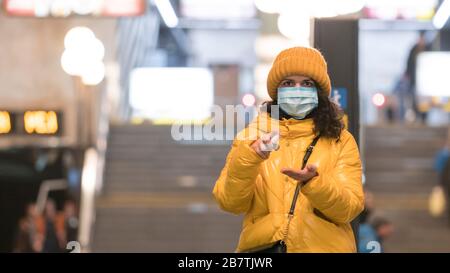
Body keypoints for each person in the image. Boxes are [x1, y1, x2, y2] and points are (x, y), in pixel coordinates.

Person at [213, 47, 364, 253]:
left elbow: (349, 209)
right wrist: (250, 158)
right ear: (276, 91)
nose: (298, 89)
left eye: (307, 83)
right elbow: (230, 202)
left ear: (318, 91)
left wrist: (314, 183)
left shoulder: (340, 141)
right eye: (288, 83)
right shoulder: (252, 137)